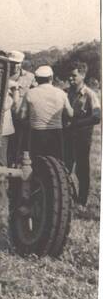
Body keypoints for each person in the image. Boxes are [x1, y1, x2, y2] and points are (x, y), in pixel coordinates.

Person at [64, 61, 101, 205]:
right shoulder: (66, 93)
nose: (70, 79)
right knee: (65, 167)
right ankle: (66, 199)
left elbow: (97, 117)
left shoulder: (91, 95)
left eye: (74, 76)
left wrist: (77, 124)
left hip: (82, 139)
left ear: (83, 75)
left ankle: (82, 201)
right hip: (67, 137)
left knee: (82, 170)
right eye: (69, 76)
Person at [20, 65, 73, 161]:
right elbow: (70, 114)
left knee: (37, 163)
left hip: (37, 133)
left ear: (36, 79)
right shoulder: (61, 93)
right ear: (51, 78)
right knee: (56, 164)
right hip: (56, 132)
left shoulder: (30, 93)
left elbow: (22, 115)